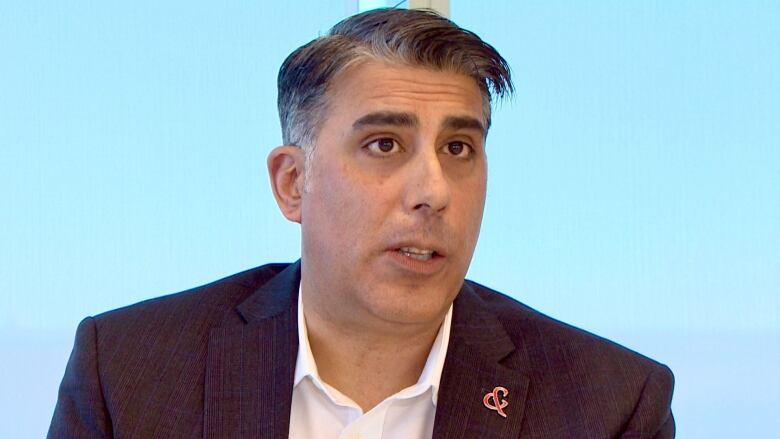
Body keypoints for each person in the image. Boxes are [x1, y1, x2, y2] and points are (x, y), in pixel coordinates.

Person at [48, 8, 674, 439]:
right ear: (293, 182)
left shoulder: (607, 403)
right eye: (384, 145)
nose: (432, 192)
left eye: (459, 149)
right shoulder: (132, 374)